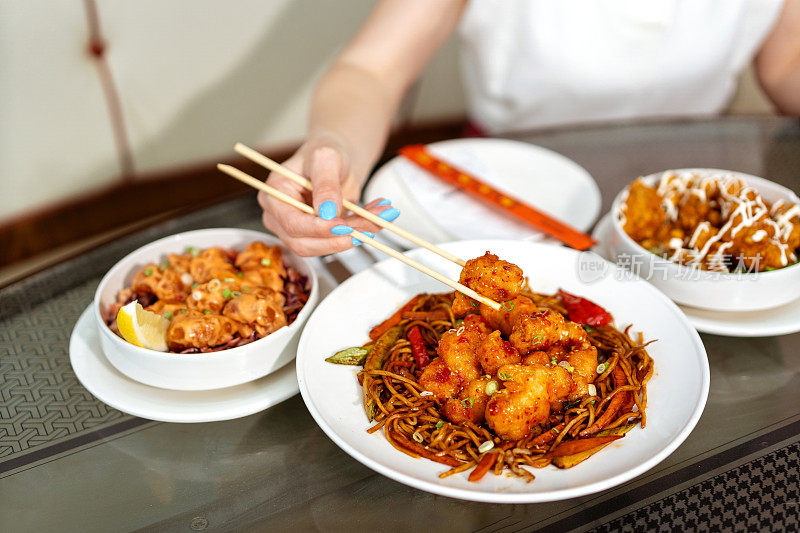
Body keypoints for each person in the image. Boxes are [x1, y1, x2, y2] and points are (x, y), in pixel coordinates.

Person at [259, 0, 800, 257]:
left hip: (697, 218)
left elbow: (786, 61)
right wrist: (333, 146)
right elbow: (371, 70)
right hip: (503, 213)